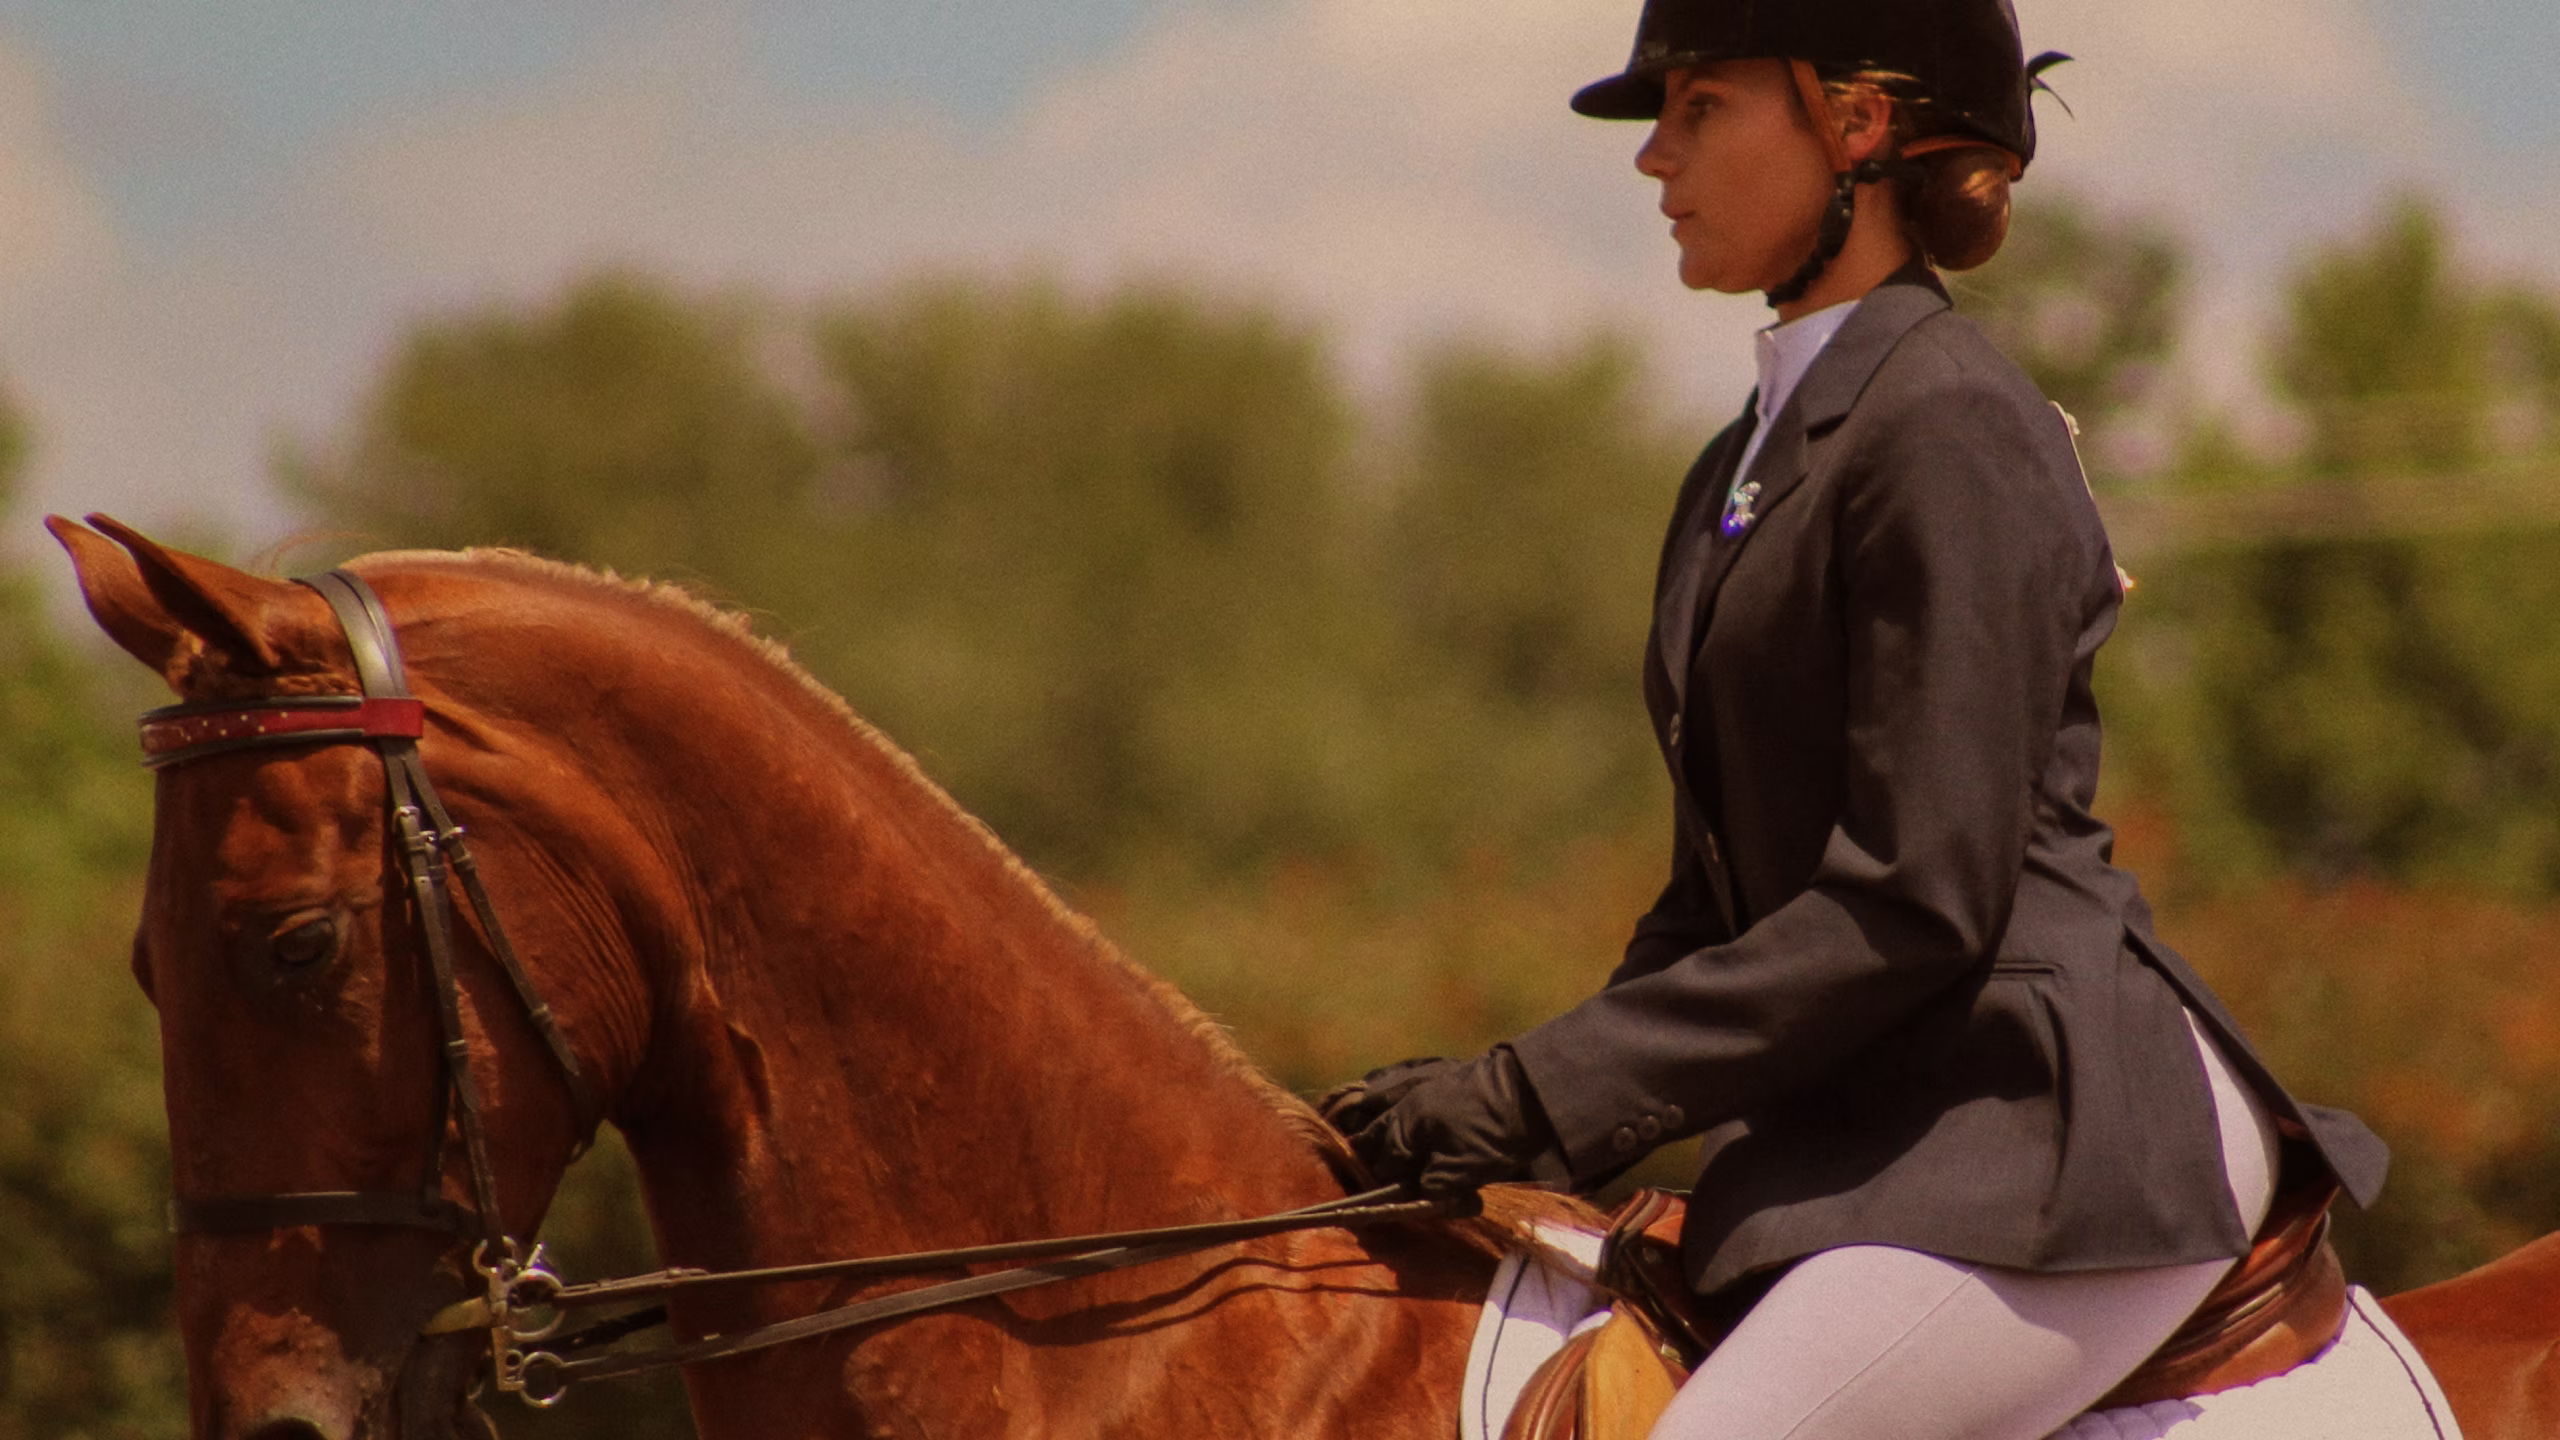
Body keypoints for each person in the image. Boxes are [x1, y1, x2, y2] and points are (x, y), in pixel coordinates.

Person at [1321, 2, 2390, 1437]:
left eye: (1701, 108)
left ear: (1858, 127)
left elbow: (1916, 898)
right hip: (1887, 1136)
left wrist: (1535, 1094)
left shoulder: (1947, 418)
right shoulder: (1741, 463)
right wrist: (1508, 1097)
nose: (1654, 157)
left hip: (2047, 1138)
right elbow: (1721, 904)